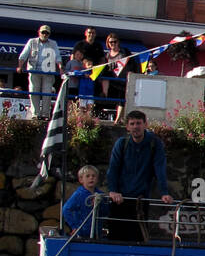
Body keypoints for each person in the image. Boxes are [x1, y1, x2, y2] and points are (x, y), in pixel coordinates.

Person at [106, 110, 174, 242]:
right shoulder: (122, 144)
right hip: (120, 198)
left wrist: (164, 192)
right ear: (127, 127)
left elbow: (160, 169)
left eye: (138, 123)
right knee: (115, 237)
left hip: (140, 200)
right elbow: (113, 168)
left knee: (138, 238)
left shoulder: (155, 144)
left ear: (145, 124)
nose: (135, 127)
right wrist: (113, 190)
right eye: (132, 123)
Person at [17, 24, 62, 119]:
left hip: (48, 71)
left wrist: (61, 68)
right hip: (34, 71)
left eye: (47, 33)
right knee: (34, 91)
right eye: (43, 32)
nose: (45, 34)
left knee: (47, 92)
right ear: (39, 32)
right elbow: (23, 55)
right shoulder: (31, 42)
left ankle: (45, 114)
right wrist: (20, 66)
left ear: (49, 34)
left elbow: (58, 56)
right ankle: (35, 114)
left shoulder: (53, 43)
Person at [62, 164, 106, 238]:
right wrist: (74, 227)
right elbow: (66, 209)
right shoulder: (78, 195)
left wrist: (100, 204)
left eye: (93, 176)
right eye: (88, 176)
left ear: (97, 179)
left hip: (97, 233)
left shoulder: (101, 195)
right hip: (82, 232)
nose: (91, 178)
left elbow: (105, 212)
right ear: (81, 179)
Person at [102, 33, 133, 122]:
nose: (113, 44)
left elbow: (131, 63)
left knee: (121, 100)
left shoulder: (124, 52)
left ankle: (118, 119)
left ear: (118, 42)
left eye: (114, 42)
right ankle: (104, 94)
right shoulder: (107, 55)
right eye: (111, 42)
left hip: (123, 80)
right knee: (115, 100)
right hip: (112, 80)